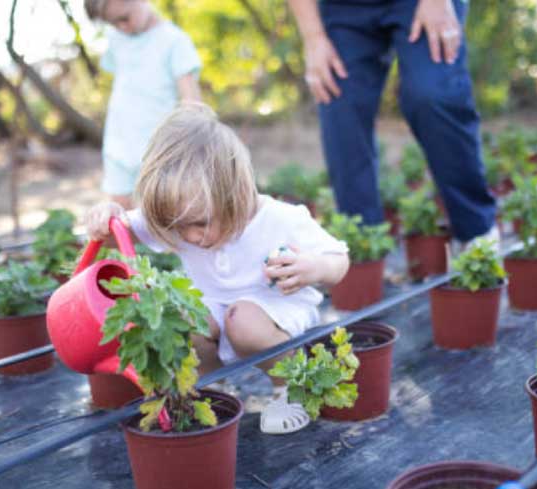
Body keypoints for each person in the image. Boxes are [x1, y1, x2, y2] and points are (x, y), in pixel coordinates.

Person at [85, 104, 350, 434]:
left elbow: (339, 260)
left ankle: (291, 387)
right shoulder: (184, 217)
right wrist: (105, 216)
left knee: (244, 322)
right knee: (180, 318)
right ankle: (211, 387)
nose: (187, 237)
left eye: (199, 224)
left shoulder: (281, 218)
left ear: (236, 195)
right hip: (215, 309)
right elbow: (116, 235)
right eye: (174, 227)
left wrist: (313, 267)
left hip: (276, 311)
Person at [288, 0, 498, 247]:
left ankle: (476, 232)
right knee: (339, 103)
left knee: (431, 95)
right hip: (343, 8)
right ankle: (362, 247)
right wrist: (313, 38)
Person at [84, 0, 202, 209]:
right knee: (121, 219)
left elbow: (192, 102)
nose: (121, 27)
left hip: (160, 151)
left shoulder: (174, 41)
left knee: (162, 219)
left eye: (124, 18)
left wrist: (190, 146)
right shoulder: (116, 39)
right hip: (119, 145)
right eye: (112, 23)